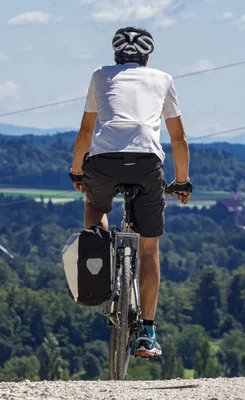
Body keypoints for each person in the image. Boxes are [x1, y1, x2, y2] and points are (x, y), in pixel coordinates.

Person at [68, 26, 193, 358]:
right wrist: (182, 180)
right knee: (149, 251)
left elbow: (86, 130)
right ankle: (147, 333)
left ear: (115, 56)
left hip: (104, 160)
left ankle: (99, 247)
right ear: (147, 58)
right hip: (147, 163)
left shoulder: (100, 76)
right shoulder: (162, 79)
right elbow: (179, 139)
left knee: (95, 204)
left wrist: (77, 170)